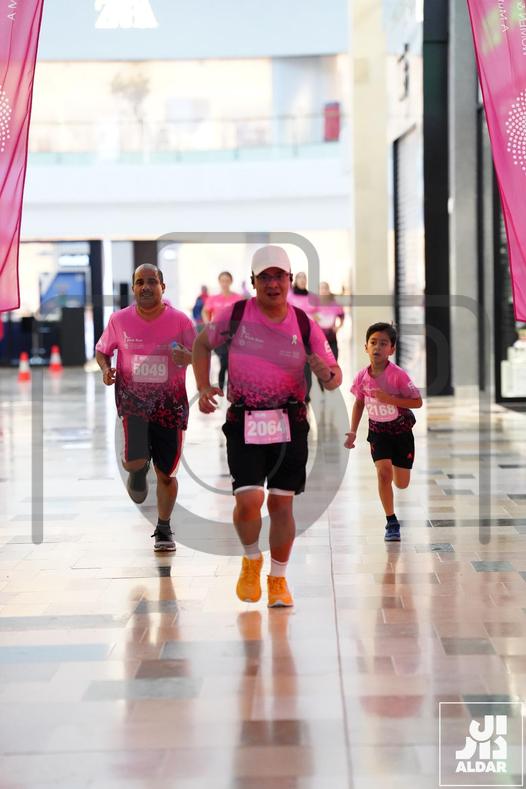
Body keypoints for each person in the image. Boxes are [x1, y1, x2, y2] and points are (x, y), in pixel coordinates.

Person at [193, 245, 342, 607]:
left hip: (290, 421)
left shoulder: (303, 322)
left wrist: (326, 373)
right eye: (265, 277)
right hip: (244, 420)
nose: (273, 284)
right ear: (253, 281)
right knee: (248, 501)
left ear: (289, 280)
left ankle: (277, 579)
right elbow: (201, 344)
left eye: (279, 277)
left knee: (280, 505)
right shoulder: (235, 314)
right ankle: (250, 559)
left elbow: (334, 377)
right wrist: (203, 386)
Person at [95, 264, 196, 552]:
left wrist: (188, 357)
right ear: (134, 288)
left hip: (170, 407)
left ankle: (163, 527)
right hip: (133, 405)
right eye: (140, 282)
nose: (146, 287)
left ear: (163, 287)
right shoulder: (119, 320)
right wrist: (106, 369)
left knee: (166, 474)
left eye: (152, 282)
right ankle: (137, 471)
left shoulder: (180, 321)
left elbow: (200, 355)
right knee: (134, 461)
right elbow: (102, 350)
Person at [344, 322, 422, 542]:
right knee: (383, 473)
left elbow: (417, 402)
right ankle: (391, 521)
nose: (377, 347)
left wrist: (390, 399)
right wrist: (352, 431)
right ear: (366, 347)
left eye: (383, 343)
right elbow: (359, 403)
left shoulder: (398, 376)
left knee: (401, 483)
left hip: (401, 432)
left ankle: (398, 471)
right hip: (378, 432)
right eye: (373, 342)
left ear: (392, 349)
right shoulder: (361, 377)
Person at [201, 271, 242, 391]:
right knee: (223, 361)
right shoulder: (213, 299)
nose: (225, 283)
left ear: (231, 282)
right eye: (222, 281)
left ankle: (231, 390)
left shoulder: (238, 298)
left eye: (227, 280)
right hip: (218, 336)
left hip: (233, 336)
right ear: (219, 282)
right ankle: (221, 389)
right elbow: (205, 312)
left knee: (231, 363)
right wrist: (208, 324)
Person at [316, 281, 345, 361]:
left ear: (328, 290)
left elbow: (342, 316)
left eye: (325, 288)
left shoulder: (335, 304)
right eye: (321, 288)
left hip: (332, 339)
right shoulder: (314, 304)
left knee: (333, 361)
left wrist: (338, 327)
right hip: (318, 340)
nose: (323, 290)